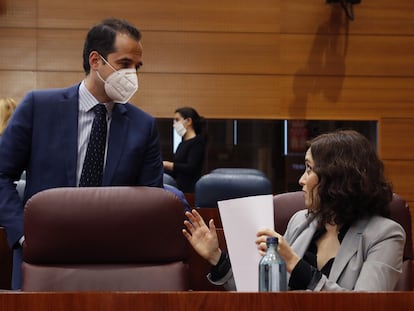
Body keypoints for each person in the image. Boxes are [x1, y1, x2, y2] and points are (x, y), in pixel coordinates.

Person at [0, 18, 164, 289]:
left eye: (137, 67)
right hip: (42, 256)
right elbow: (2, 174)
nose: (132, 74)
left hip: (113, 262)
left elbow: (152, 199)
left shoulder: (142, 125)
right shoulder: (39, 107)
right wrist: (23, 235)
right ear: (95, 61)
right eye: (124, 64)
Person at [183, 130, 406, 291]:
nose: (301, 180)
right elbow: (262, 295)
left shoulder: (385, 234)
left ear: (337, 178)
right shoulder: (301, 221)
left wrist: (296, 265)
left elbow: (368, 306)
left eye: (309, 169)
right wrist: (218, 258)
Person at [163, 107, 206, 193]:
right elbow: (177, 171)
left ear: (189, 121)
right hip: (179, 187)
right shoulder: (182, 143)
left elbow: (191, 167)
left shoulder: (197, 142)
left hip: (190, 190)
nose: (174, 124)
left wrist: (168, 165)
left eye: (177, 120)